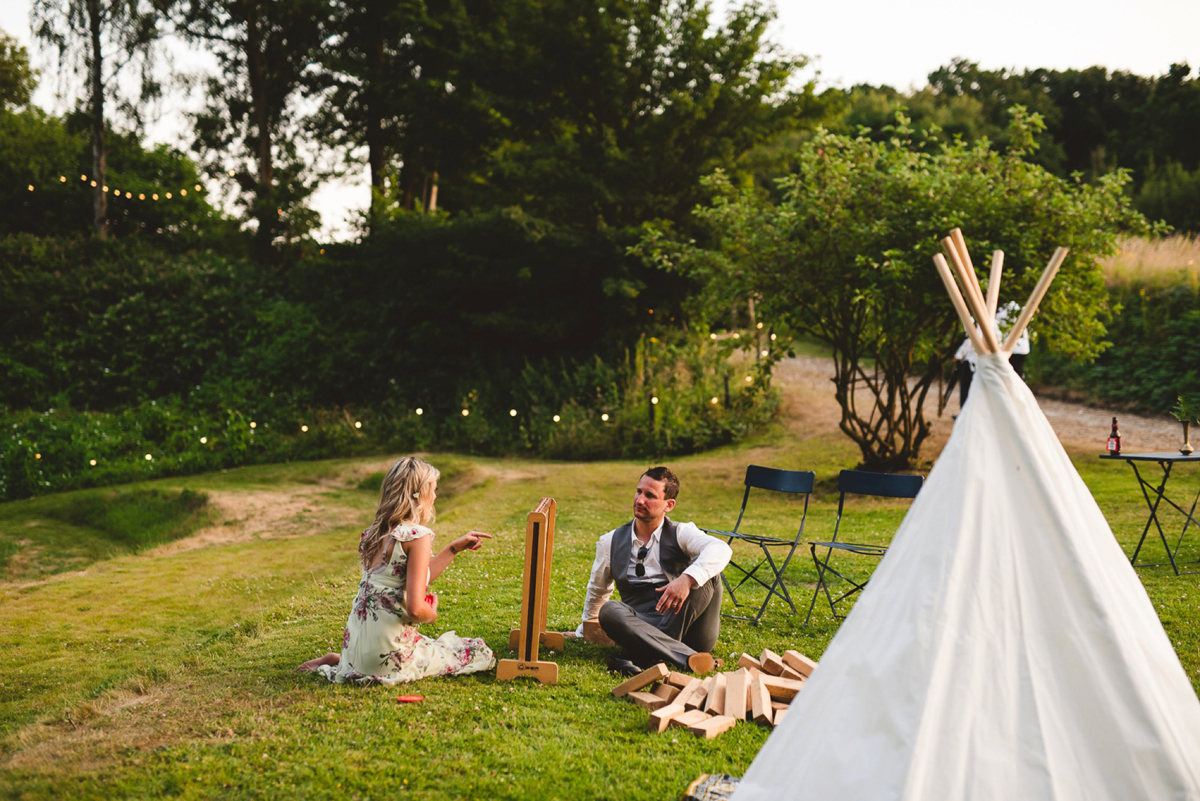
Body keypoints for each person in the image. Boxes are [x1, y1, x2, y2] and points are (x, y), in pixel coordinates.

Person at [296, 456, 496, 684]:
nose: (436, 495)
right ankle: (347, 661)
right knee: (473, 651)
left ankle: (340, 661)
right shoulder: (417, 536)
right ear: (421, 494)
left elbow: (416, 576)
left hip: (356, 651)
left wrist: (453, 549)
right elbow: (415, 610)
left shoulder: (372, 533)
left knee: (433, 646)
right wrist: (432, 613)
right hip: (389, 658)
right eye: (434, 488)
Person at [576, 466, 732, 676]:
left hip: (689, 629)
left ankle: (647, 654)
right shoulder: (610, 541)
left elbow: (721, 548)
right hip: (641, 623)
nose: (640, 500)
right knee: (610, 610)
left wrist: (686, 580)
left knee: (710, 576)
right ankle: (685, 657)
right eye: (639, 491)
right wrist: (583, 631)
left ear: (669, 505)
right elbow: (598, 590)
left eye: (650, 495)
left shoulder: (681, 532)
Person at [954, 300, 1030, 407]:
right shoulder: (1013, 314)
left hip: (1002, 353)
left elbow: (970, 341)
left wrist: (958, 355)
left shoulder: (998, 316)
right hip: (1015, 351)